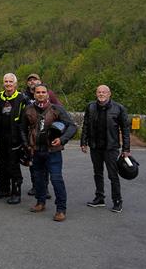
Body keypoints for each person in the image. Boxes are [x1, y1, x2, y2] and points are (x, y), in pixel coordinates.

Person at [22, 83, 77, 222]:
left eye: (43, 92)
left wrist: (62, 139)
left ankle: (61, 209)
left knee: (56, 179)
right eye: (38, 92)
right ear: (34, 94)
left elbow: (72, 126)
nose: (40, 94)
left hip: (53, 151)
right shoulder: (28, 110)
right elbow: (22, 129)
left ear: (47, 94)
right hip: (36, 150)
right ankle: (40, 202)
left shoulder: (57, 109)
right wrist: (27, 145)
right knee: (39, 179)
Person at [81, 85, 131, 213]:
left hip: (111, 147)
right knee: (97, 173)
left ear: (109, 94)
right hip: (95, 147)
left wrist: (126, 148)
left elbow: (125, 129)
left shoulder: (119, 108)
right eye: (99, 92)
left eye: (104, 92)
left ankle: (117, 200)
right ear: (96, 93)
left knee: (113, 175)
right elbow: (85, 125)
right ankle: (99, 198)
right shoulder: (90, 107)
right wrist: (83, 142)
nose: (101, 94)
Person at [0, 73, 28, 204]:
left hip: (15, 137)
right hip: (1, 136)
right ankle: (4, 189)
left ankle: (16, 192)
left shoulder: (22, 98)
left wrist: (25, 140)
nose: (8, 84)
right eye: (6, 81)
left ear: (15, 84)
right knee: (2, 164)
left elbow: (26, 120)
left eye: (10, 82)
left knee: (13, 165)